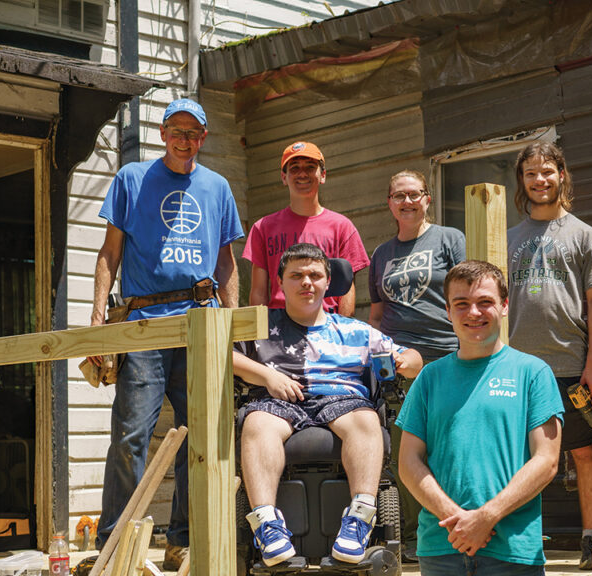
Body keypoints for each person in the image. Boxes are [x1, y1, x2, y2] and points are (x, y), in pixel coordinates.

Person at [88, 98, 244, 570]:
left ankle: (182, 540)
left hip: (201, 320)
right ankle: (116, 543)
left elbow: (226, 262)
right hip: (144, 324)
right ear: (162, 133)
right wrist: (98, 319)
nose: (185, 140)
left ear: (203, 139)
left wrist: (231, 326)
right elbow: (109, 253)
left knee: (200, 435)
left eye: (194, 133)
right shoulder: (131, 179)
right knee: (131, 435)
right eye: (177, 130)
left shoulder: (217, 187)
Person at [235, 243, 423, 566]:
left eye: (314, 275)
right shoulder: (260, 326)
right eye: (296, 276)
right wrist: (266, 375)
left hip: (343, 400)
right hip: (280, 400)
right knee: (255, 423)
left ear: (327, 282)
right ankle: (267, 525)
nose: (306, 282)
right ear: (280, 282)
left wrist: (404, 360)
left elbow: (415, 359)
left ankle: (359, 519)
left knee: (367, 420)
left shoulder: (356, 331)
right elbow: (222, 352)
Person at [397, 260, 564, 575]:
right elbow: (408, 462)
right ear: (447, 311)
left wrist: (486, 517)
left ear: (503, 306)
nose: (473, 312)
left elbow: (547, 461)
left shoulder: (533, 373)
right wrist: (458, 521)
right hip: (441, 547)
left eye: (485, 302)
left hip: (513, 551)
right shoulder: (429, 378)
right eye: (462, 304)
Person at [505, 141, 592, 570]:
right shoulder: (506, 238)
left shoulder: (585, 236)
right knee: (518, 457)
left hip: (570, 363)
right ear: (522, 181)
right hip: (514, 366)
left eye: (547, 171)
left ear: (562, 175)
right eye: (531, 173)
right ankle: (520, 543)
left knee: (584, 453)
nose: (540, 180)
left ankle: (590, 540)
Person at [368, 169, 466, 561]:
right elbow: (376, 314)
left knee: (449, 446)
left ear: (428, 198)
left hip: (446, 354)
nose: (407, 202)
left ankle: (456, 527)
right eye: (399, 196)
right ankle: (411, 538)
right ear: (389, 203)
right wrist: (378, 355)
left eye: (414, 195)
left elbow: (467, 291)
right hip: (397, 362)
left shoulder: (448, 238)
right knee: (406, 448)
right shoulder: (381, 254)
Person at [243, 141, 369, 316]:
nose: (302, 173)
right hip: (279, 326)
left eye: (310, 167)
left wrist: (341, 331)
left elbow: (347, 289)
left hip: (326, 323)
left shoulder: (342, 226)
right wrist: (260, 336)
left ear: (323, 175)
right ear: (283, 177)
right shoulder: (263, 227)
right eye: (294, 168)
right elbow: (258, 291)